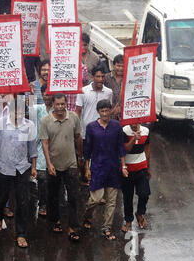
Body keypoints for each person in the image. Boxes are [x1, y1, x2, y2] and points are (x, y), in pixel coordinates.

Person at [0, 98, 38, 248]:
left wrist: (33, 167)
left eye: (21, 112)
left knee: (23, 201)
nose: (18, 115)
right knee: (1, 198)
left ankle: (21, 234)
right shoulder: (0, 124)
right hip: (3, 167)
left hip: (22, 168)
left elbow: (32, 149)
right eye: (16, 111)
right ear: (10, 110)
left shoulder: (29, 126)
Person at [82, 99, 128, 240]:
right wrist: (87, 168)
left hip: (113, 168)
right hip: (97, 167)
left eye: (107, 110)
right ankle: (87, 215)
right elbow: (87, 149)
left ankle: (106, 228)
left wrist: (123, 165)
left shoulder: (116, 127)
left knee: (112, 201)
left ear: (110, 111)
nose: (105, 113)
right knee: (95, 199)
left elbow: (121, 147)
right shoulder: (91, 127)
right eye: (102, 111)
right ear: (98, 112)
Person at [40, 93, 83, 241]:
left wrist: (80, 156)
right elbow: (44, 143)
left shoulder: (73, 118)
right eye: (57, 104)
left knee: (73, 197)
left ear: (66, 104)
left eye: (62, 104)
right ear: (52, 104)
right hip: (54, 165)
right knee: (53, 196)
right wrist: (49, 163)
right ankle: (55, 221)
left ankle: (73, 226)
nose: (60, 107)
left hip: (71, 163)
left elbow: (78, 137)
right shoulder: (46, 121)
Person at [76, 65, 113, 185]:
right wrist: (77, 131)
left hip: (102, 132)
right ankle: (85, 179)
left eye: (102, 76)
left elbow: (109, 111)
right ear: (92, 77)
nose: (100, 79)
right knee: (85, 156)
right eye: (98, 76)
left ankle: (98, 182)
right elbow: (78, 111)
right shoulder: (83, 91)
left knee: (100, 157)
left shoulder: (108, 92)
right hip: (86, 131)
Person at [121, 123, 151, 232]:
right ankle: (128, 220)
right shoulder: (124, 131)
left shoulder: (146, 131)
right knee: (128, 197)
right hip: (127, 170)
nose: (133, 125)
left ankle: (140, 213)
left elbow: (147, 150)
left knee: (145, 193)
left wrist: (148, 167)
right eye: (131, 122)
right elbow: (125, 149)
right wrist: (134, 139)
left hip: (142, 167)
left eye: (136, 122)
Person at [34, 84, 53, 216]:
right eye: (44, 94)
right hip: (40, 146)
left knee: (54, 177)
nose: (47, 96)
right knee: (42, 177)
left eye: (49, 93)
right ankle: (43, 203)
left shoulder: (58, 109)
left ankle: (52, 202)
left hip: (55, 147)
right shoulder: (37, 108)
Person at [104, 54, 124, 120]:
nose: (121, 68)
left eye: (123, 66)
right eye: (118, 66)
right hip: (108, 115)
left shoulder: (128, 80)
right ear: (113, 65)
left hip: (122, 117)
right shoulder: (106, 78)